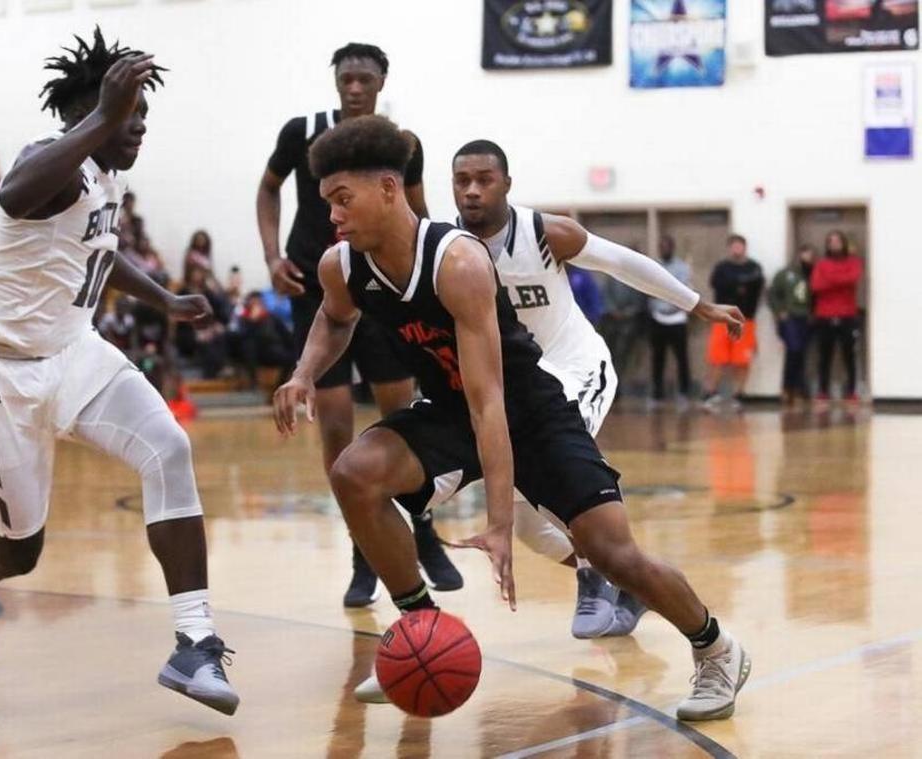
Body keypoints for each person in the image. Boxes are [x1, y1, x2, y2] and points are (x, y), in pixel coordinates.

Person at [274, 116, 749, 721]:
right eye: (327, 204)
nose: (332, 216)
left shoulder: (457, 262)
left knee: (611, 553)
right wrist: (304, 372)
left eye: (343, 200)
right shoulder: (341, 265)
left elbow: (490, 401)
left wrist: (500, 522)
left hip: (529, 406)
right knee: (353, 473)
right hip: (451, 410)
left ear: (389, 189)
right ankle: (421, 632)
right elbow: (336, 318)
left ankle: (717, 649)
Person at [0, 28, 239, 715]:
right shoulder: (52, 160)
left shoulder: (104, 173)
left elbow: (98, 246)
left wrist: (161, 296)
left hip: (71, 351)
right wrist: (105, 114)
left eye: (142, 119)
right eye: (131, 116)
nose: (139, 131)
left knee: (169, 446)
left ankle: (195, 640)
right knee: (18, 551)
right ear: (90, 111)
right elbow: (13, 194)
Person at [447, 140, 741, 641]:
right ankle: (624, 580)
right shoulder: (447, 248)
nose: (472, 191)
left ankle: (593, 572)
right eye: (462, 181)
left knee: (562, 466)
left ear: (507, 184)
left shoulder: (543, 233)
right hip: (517, 386)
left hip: (577, 366)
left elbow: (622, 263)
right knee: (528, 528)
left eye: (484, 179)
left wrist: (698, 306)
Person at [256, 42, 459, 607]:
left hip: (386, 290)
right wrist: (272, 255)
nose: (353, 87)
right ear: (335, 81)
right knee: (337, 426)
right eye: (345, 77)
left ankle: (423, 533)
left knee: (404, 418)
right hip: (322, 288)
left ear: (380, 82)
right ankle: (361, 550)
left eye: (363, 78)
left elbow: (419, 215)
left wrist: (434, 275)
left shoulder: (400, 146)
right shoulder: (304, 131)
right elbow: (267, 188)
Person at [701, 235, 764, 411]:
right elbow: (717, 285)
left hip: (746, 320)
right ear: (729, 248)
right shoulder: (722, 267)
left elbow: (756, 287)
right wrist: (738, 285)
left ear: (745, 247)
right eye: (734, 246)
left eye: (740, 246)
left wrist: (739, 286)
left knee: (742, 360)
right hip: (722, 319)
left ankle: (739, 394)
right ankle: (710, 393)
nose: (737, 249)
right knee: (717, 358)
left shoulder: (754, 267)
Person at [811, 230, 863, 405]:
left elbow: (853, 278)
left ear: (844, 243)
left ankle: (851, 391)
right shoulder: (821, 264)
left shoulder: (854, 262)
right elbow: (816, 286)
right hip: (824, 315)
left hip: (848, 315)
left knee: (849, 355)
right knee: (825, 355)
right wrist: (840, 280)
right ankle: (823, 391)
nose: (834, 244)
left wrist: (831, 279)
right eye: (831, 241)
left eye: (837, 240)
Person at [649, 235, 694, 405]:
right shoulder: (653, 266)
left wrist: (673, 306)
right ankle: (657, 392)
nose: (664, 249)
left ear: (673, 248)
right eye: (662, 246)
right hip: (657, 317)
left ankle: (684, 391)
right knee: (657, 357)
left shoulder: (682, 267)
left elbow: (683, 289)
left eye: (667, 246)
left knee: (682, 357)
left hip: (677, 318)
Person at [768, 244, 815, 405]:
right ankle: (788, 387)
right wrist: (779, 311)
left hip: (806, 318)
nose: (807, 257)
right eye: (804, 253)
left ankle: (800, 387)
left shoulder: (813, 274)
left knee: (802, 353)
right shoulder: (785, 274)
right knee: (793, 350)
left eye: (810, 254)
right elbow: (773, 293)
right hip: (790, 318)